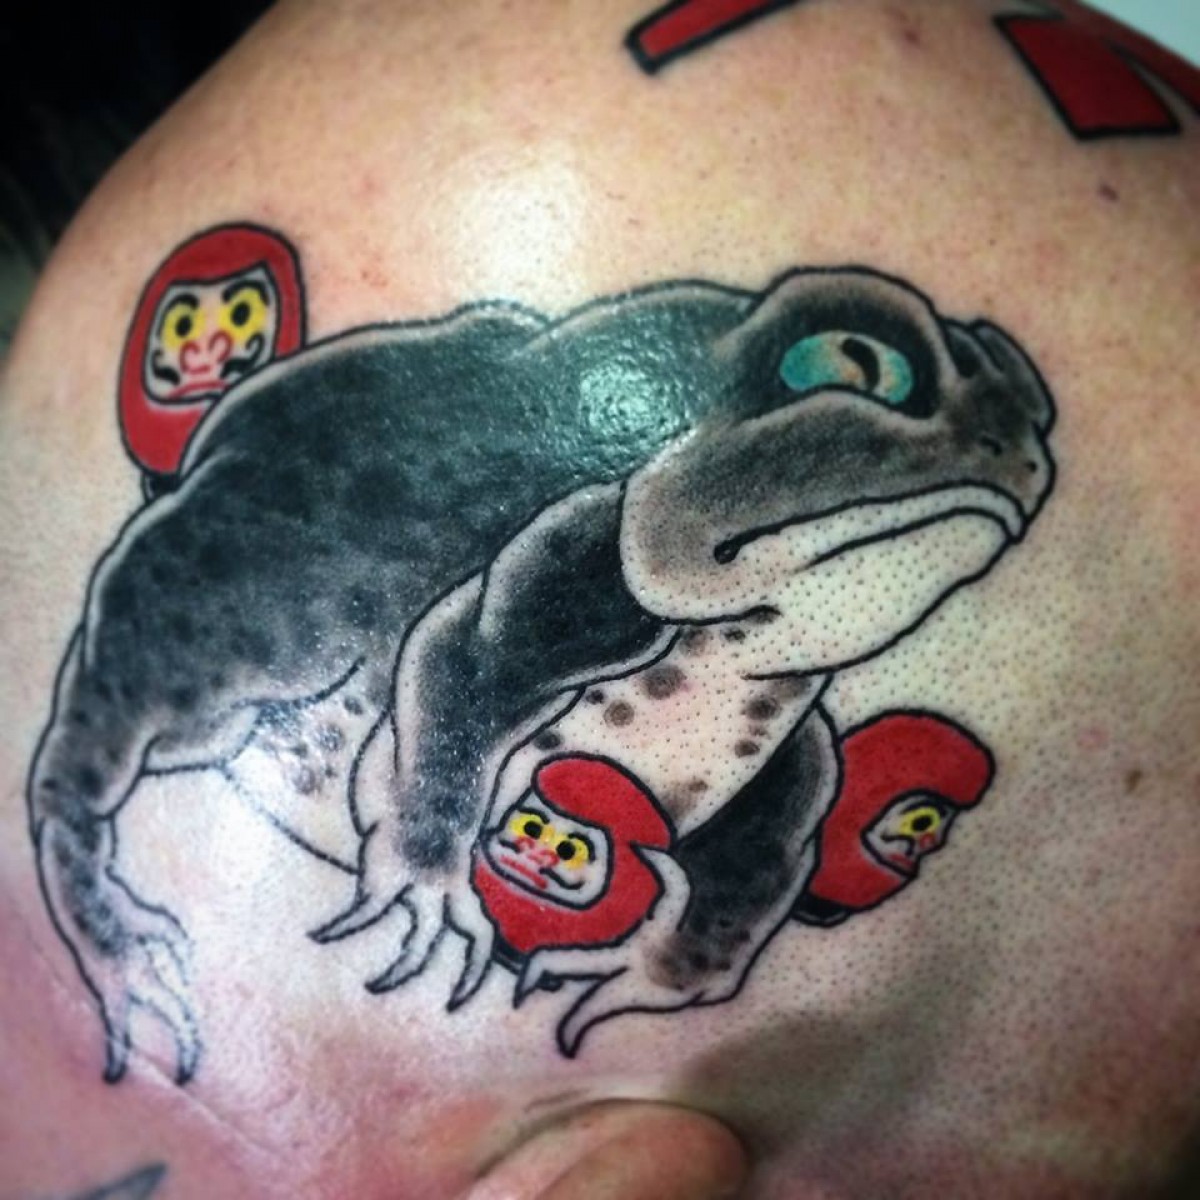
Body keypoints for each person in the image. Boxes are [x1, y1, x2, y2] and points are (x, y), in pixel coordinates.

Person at [1, 2, 1197, 1197]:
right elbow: (466, 659)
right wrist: (425, 847)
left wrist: (685, 961)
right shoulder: (570, 571)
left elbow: (768, 822)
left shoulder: (773, 715)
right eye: (861, 363)